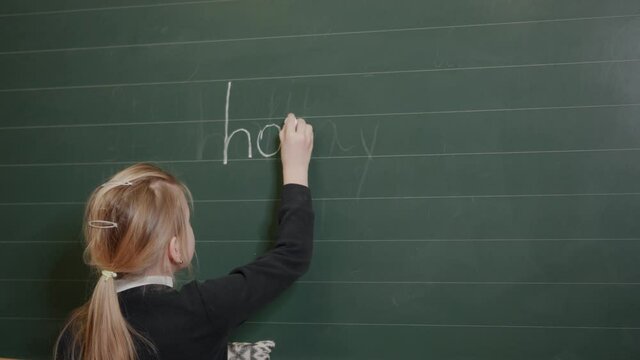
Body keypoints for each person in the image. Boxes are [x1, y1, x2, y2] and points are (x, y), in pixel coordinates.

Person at [54, 113, 314, 360]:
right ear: (175, 248)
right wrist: (296, 169)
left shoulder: (76, 332)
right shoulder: (200, 310)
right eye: (187, 222)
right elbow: (292, 255)